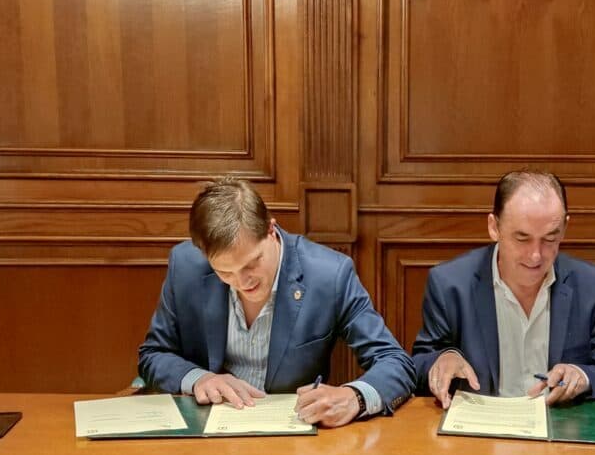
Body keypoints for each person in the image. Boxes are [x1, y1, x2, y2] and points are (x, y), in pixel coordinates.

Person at [139, 176, 414, 427]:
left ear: (271, 230)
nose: (242, 282)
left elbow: (395, 362)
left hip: (292, 436)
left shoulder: (329, 274)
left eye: (252, 263)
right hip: (207, 434)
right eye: (225, 272)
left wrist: (355, 397)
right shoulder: (186, 266)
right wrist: (199, 378)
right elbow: (153, 355)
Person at [412, 171, 595, 408]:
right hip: (481, 434)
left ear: (564, 229)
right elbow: (417, 368)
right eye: (522, 238)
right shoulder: (450, 284)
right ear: (494, 227)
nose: (536, 255)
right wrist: (444, 359)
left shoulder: (591, 285)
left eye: (549, 239)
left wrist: (581, 375)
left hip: (557, 434)